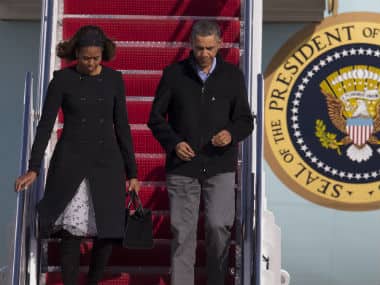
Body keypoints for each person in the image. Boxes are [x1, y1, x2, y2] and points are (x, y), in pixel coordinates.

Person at [14, 25, 140, 285]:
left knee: (107, 231)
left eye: (96, 58)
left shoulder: (115, 79)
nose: (92, 63)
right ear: (76, 54)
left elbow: (123, 126)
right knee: (71, 233)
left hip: (107, 163)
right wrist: (34, 166)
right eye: (86, 58)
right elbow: (45, 124)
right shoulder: (61, 80)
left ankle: (93, 281)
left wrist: (133, 172)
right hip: (71, 162)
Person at [148, 20, 253, 285]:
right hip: (183, 168)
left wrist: (230, 133)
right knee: (183, 234)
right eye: (198, 48)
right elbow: (156, 118)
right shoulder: (173, 74)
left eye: (209, 48)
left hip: (220, 167)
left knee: (219, 227)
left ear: (219, 45)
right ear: (190, 45)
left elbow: (245, 120)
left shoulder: (232, 76)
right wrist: (173, 143)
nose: (204, 54)